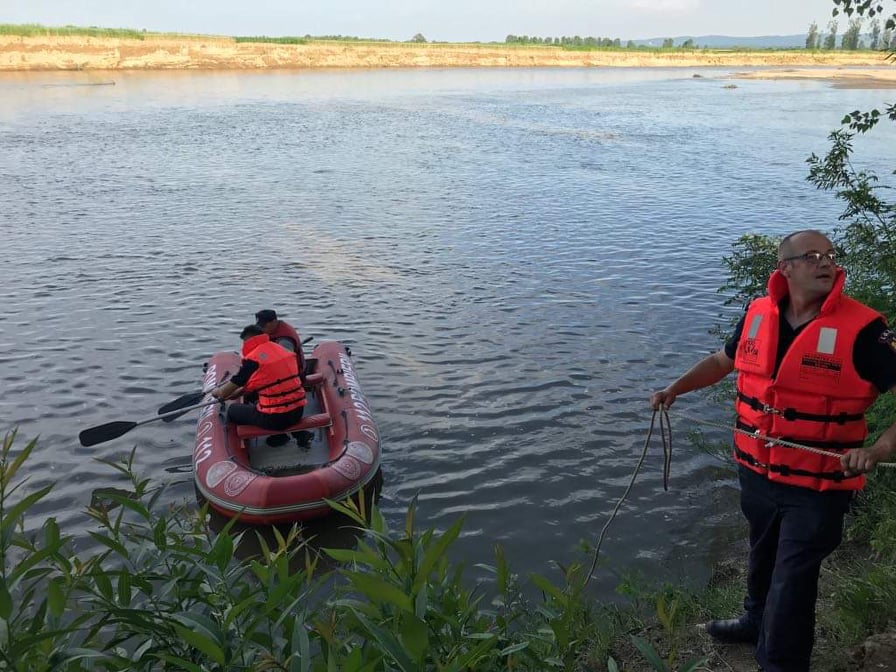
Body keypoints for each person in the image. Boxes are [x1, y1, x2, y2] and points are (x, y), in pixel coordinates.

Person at [650, 230, 896, 672]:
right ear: (785, 267)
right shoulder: (758, 314)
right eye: (813, 256)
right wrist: (675, 389)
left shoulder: (866, 330)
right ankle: (753, 620)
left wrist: (878, 448)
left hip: (818, 486)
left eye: (830, 255)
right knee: (762, 552)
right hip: (757, 472)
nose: (826, 263)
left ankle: (780, 663)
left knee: (793, 580)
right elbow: (724, 361)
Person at [212, 325, 306, 440]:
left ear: (248, 341)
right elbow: (262, 382)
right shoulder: (282, 350)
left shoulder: (253, 360)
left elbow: (224, 393)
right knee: (255, 396)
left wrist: (216, 392)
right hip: (298, 412)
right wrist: (241, 391)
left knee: (232, 410)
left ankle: (275, 437)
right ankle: (297, 435)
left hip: (275, 419)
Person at [255, 309, 307, 376]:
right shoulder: (273, 329)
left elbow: (286, 363)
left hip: (292, 376)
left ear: (273, 322)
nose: (261, 329)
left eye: (264, 326)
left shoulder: (284, 341)